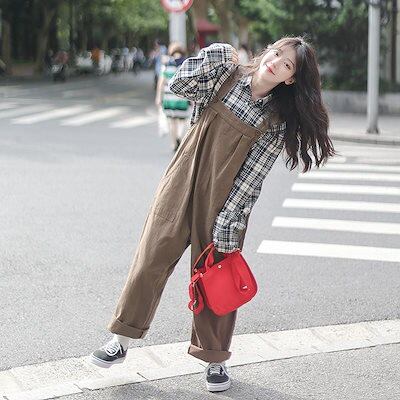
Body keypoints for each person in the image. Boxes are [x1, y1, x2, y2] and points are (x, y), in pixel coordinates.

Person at [90, 36, 336, 392]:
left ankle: (215, 360)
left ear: (291, 79)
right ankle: (121, 340)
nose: (276, 62)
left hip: (223, 202)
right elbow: (179, 85)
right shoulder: (225, 74)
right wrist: (213, 53)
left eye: (287, 64)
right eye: (276, 53)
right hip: (181, 180)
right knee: (150, 260)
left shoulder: (276, 120)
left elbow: (252, 176)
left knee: (215, 279)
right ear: (267, 51)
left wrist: (228, 220)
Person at [155, 42, 191, 152]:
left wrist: (158, 97)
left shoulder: (166, 64)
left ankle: (174, 143)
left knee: (172, 121)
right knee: (182, 120)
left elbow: (161, 82)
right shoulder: (186, 63)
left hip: (169, 97)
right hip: (182, 97)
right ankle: (179, 136)